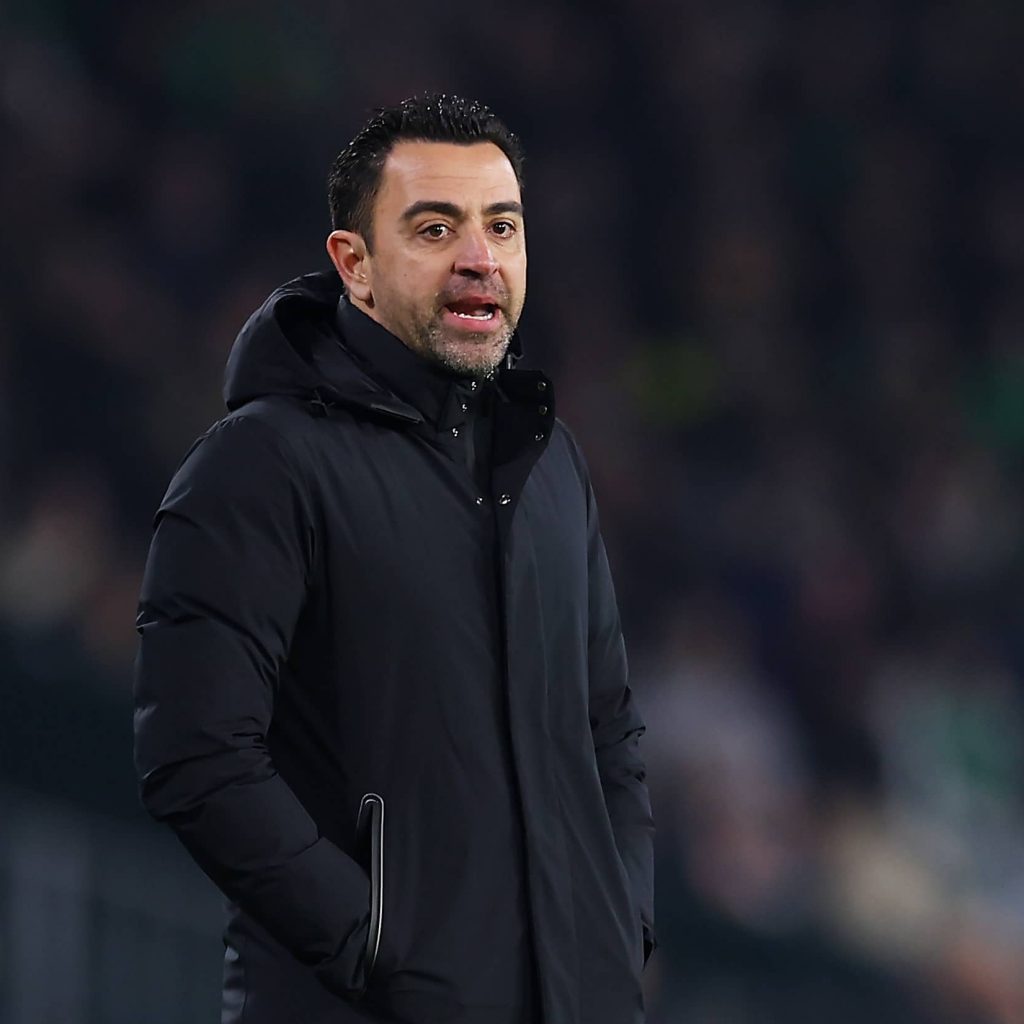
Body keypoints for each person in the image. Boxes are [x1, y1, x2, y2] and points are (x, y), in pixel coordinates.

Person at [133, 93, 655, 1024]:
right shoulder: (262, 462)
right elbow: (196, 755)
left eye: (502, 226)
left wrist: (618, 929)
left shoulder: (550, 465)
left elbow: (607, 731)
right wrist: (374, 946)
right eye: (435, 228)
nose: (479, 258)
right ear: (355, 265)